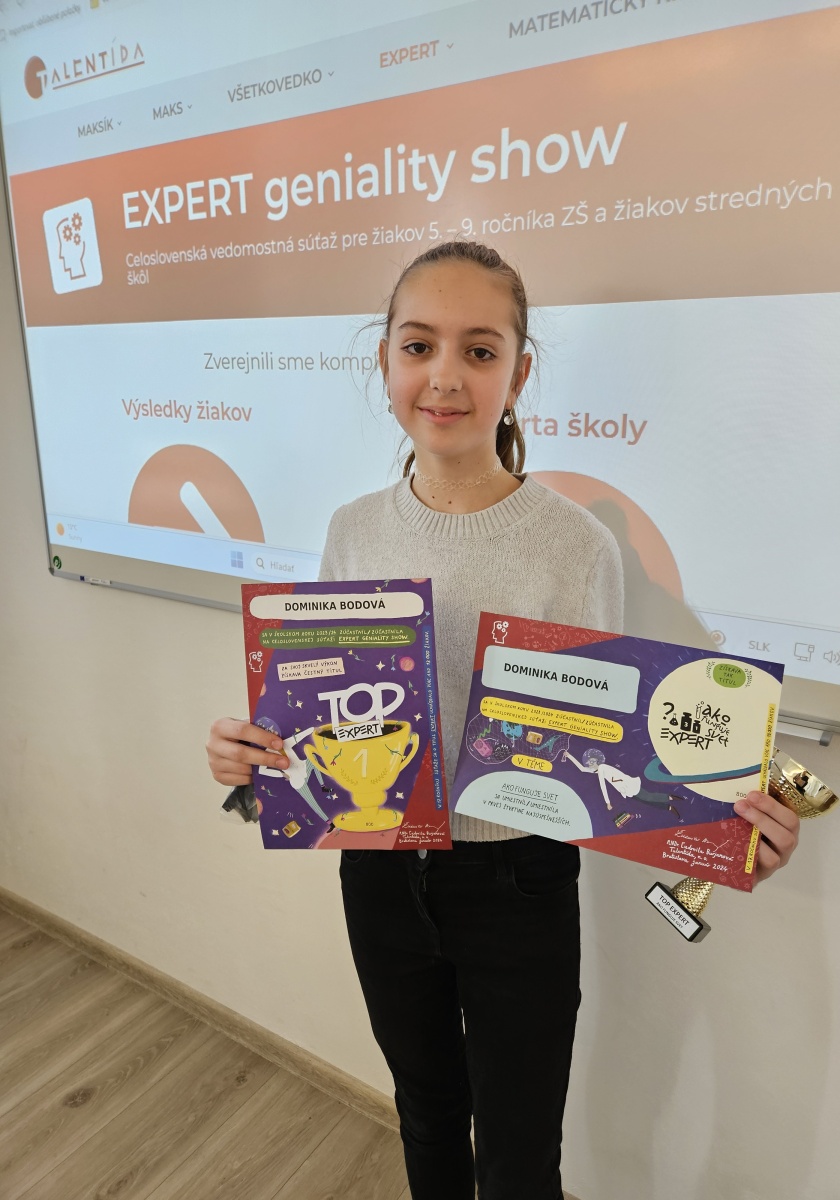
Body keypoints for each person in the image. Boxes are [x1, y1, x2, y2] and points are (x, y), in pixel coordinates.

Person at [205, 241, 800, 1200]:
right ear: (385, 363)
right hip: (380, 877)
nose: (445, 376)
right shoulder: (352, 528)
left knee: (521, 1159)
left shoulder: (575, 545)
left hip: (519, 885)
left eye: (479, 351)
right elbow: (330, 727)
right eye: (419, 346)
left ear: (518, 375)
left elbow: (609, 746)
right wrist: (255, 763)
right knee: (427, 1115)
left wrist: (726, 833)